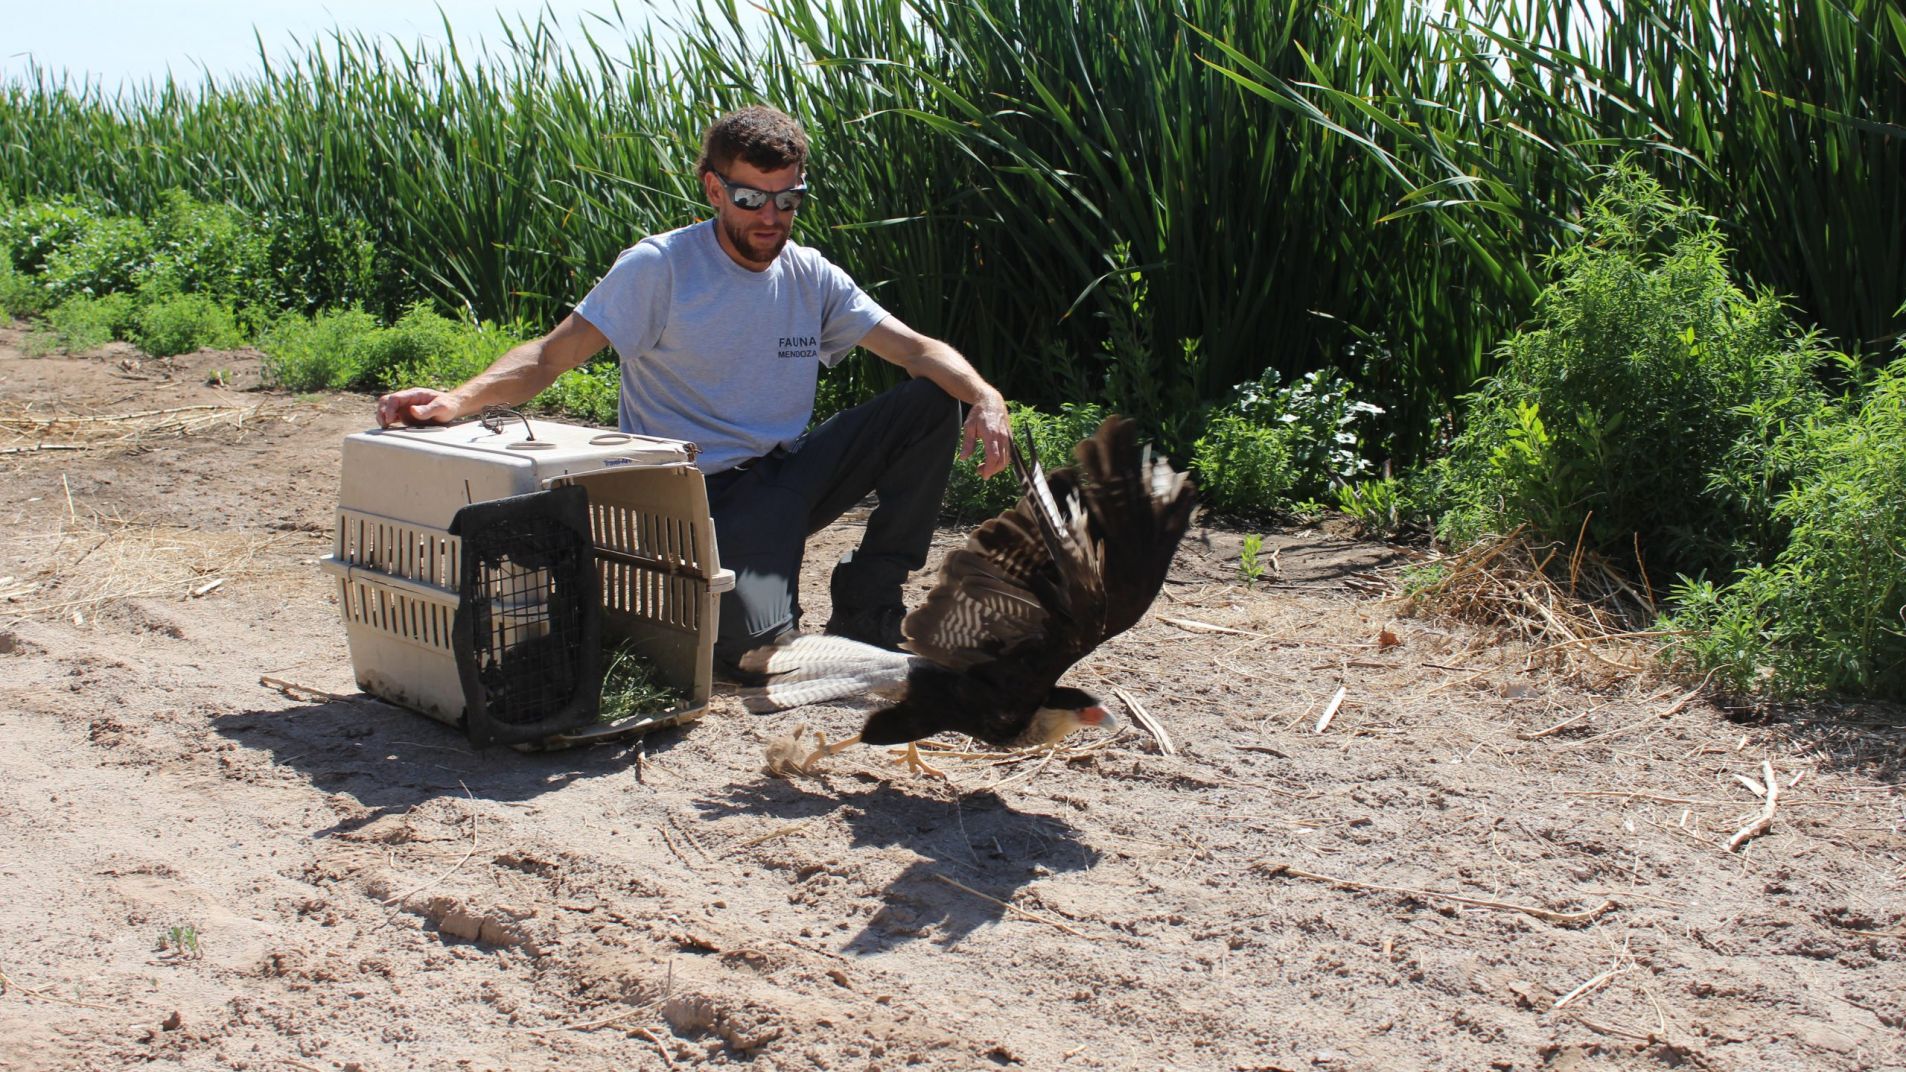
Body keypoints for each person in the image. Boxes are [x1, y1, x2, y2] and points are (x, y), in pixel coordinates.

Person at [375, 104, 1013, 667]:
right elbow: (551, 355)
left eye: (787, 200)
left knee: (934, 398)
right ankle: (751, 607)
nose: (770, 217)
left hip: (788, 476)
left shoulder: (810, 274)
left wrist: (987, 396)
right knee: (754, 650)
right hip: (700, 495)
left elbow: (914, 349)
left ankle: (867, 605)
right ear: (713, 188)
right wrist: (457, 399)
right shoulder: (662, 267)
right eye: (750, 199)